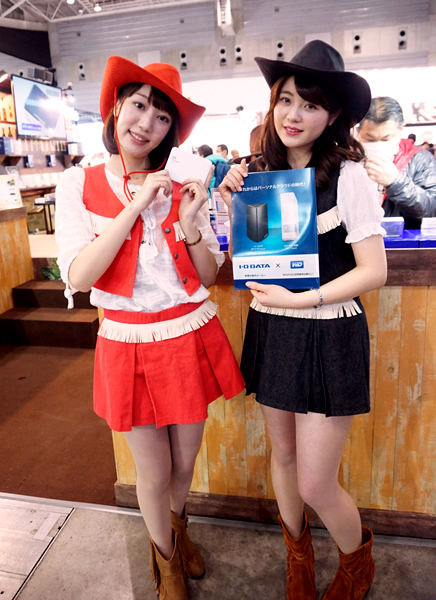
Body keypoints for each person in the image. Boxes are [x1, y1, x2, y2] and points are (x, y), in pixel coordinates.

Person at [55, 57, 244, 600]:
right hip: (128, 340)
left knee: (184, 463)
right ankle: (166, 564)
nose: (147, 124)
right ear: (116, 106)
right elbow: (80, 275)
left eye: (163, 117)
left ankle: (178, 532)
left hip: (188, 332)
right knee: (154, 472)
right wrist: (136, 205)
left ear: (172, 130)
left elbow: (207, 276)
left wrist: (188, 225)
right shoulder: (78, 182)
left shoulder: (184, 183)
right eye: (138, 105)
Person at [219, 40, 387, 600]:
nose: (293, 115)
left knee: (315, 481)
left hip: (329, 330)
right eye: (286, 100)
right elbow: (248, 260)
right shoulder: (257, 175)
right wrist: (229, 201)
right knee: (285, 457)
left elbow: (374, 271)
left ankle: (357, 563)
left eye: (310, 105)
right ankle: (298, 556)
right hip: (272, 328)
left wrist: (302, 299)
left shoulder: (348, 176)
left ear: (333, 115)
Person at [358, 96, 436, 229]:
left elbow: (431, 209)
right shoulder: (347, 160)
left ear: (401, 129)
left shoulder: (420, 160)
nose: (378, 145)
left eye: (386, 139)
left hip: (402, 238)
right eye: (370, 139)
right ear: (359, 131)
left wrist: (395, 183)